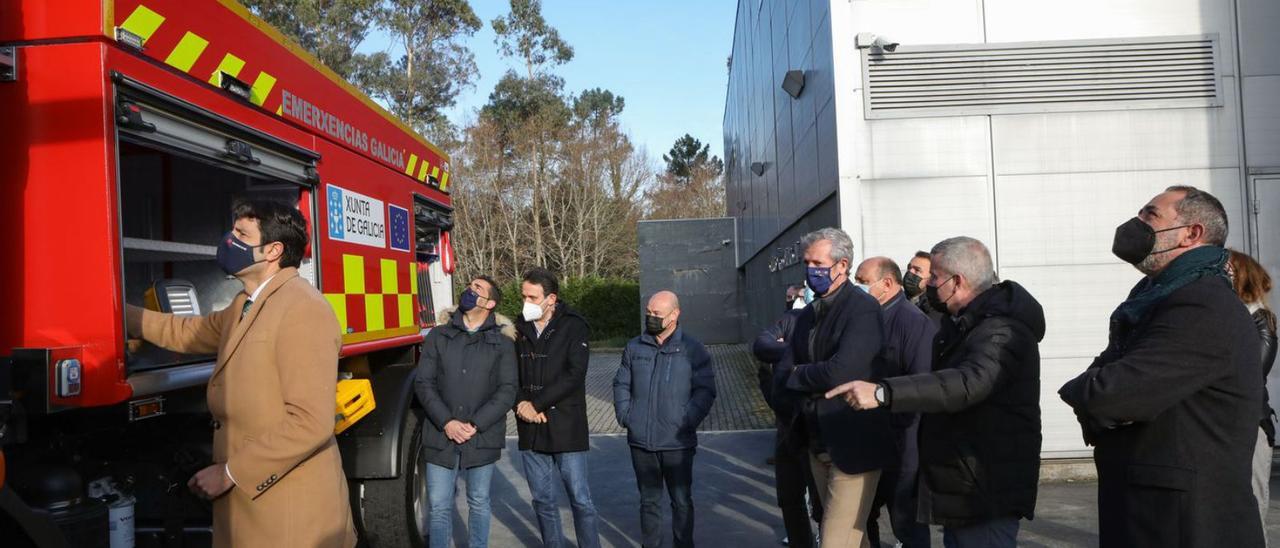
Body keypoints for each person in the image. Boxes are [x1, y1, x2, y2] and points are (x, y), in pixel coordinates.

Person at [126, 200, 356, 547]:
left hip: (290, 520)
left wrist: (231, 473)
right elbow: (185, 332)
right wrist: (112, 310)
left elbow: (310, 421)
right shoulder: (242, 305)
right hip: (253, 514)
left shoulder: (304, 309)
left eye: (241, 234)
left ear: (273, 251)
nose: (228, 240)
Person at [1059, 186, 1263, 547]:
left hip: (1183, 523)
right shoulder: (1156, 297)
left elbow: (1113, 394)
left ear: (1192, 233)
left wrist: (1083, 392)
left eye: (1150, 215)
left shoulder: (1203, 304)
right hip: (1153, 514)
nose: (1135, 224)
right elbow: (1110, 376)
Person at [827, 237, 1044, 548]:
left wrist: (881, 393)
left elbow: (965, 383)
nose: (926, 282)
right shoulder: (964, 324)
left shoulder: (1001, 331)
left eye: (934, 276)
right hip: (961, 482)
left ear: (957, 282)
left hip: (983, 486)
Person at [774, 227, 894, 548]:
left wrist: (798, 373)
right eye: (807, 263)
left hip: (854, 442)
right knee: (854, 538)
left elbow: (843, 371)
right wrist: (799, 372)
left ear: (842, 266)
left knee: (835, 542)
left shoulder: (862, 309)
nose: (811, 270)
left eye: (818, 263)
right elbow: (785, 364)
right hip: (817, 438)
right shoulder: (810, 313)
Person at [414, 276, 517, 548]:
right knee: (439, 506)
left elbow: (507, 390)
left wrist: (475, 424)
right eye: (470, 286)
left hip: (481, 436)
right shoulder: (439, 335)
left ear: (490, 303)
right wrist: (446, 422)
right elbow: (424, 382)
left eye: (478, 289)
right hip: (440, 434)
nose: (469, 291)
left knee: (479, 502)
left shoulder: (503, 342)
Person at [613, 291, 717, 548]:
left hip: (677, 443)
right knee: (648, 502)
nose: (650, 317)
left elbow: (705, 390)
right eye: (649, 312)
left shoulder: (693, 349)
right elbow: (621, 384)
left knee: (681, 501)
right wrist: (627, 415)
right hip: (641, 441)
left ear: (675, 315)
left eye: (657, 314)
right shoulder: (634, 346)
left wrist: (686, 420)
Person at [513, 268, 602, 548]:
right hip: (530, 427)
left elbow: (575, 374)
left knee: (580, 498)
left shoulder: (574, 325)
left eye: (532, 296)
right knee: (542, 499)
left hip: (566, 425)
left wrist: (536, 403)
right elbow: (507, 373)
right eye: (523, 295)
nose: (526, 302)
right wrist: (520, 404)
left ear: (551, 298)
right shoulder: (517, 327)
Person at [852, 257, 934, 548]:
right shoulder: (862, 319)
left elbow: (920, 384)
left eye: (862, 282)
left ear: (886, 284)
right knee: (860, 517)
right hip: (865, 438)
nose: (856, 287)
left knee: (906, 521)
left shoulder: (913, 323)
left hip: (901, 441)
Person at [754, 284, 824, 548]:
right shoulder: (793, 319)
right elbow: (762, 344)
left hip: (820, 429)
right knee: (789, 496)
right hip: (788, 426)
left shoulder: (845, 323)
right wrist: (791, 354)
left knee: (822, 503)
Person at [1229, 249, 1278, 541]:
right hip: (1219, 422)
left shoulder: (1260, 317)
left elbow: (1254, 371)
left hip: (1249, 423)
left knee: (1252, 497)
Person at [905, 251, 942, 323]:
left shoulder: (935, 310)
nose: (910, 272)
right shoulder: (897, 301)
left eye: (917, 270)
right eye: (909, 268)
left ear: (931, 278)